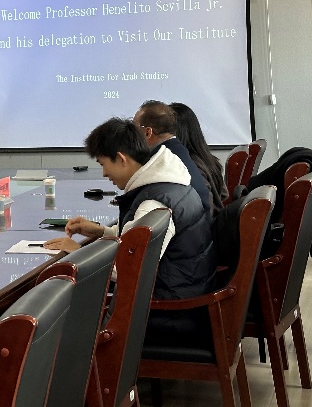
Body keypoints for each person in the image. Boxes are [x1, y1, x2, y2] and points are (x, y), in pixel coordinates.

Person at [45, 117, 216, 341]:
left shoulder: (154, 205)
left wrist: (78, 252)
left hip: (166, 314)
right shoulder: (171, 185)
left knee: (55, 320)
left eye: (103, 164)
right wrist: (101, 231)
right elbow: (137, 243)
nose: (104, 174)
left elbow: (129, 271)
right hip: (181, 297)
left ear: (121, 159)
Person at [133, 100, 211, 215]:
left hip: (186, 224)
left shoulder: (162, 159)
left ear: (147, 132)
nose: (131, 133)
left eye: (134, 128)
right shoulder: (176, 149)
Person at [169, 102, 228, 214]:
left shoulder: (188, 166)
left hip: (208, 222)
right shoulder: (208, 158)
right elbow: (224, 195)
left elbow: (205, 209)